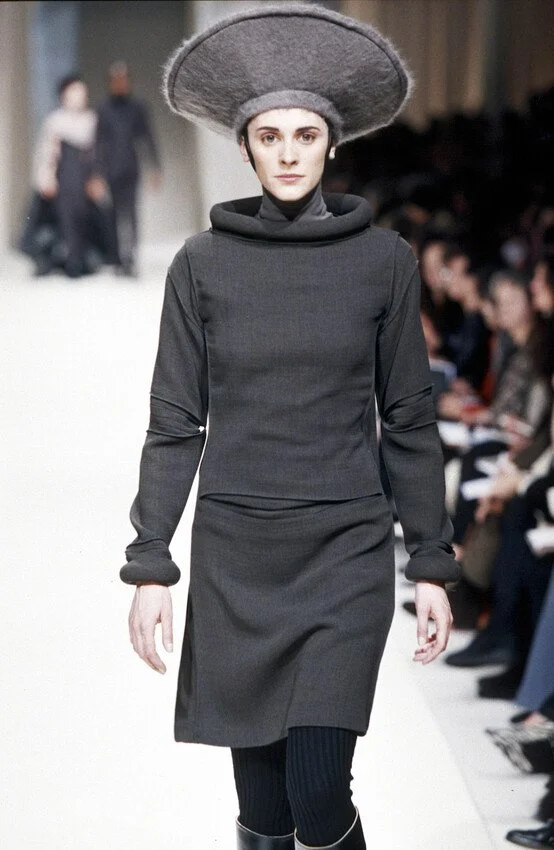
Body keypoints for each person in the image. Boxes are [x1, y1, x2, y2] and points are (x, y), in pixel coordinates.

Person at [120, 7, 459, 849]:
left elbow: (409, 417)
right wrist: (151, 561)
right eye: (269, 136)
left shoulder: (384, 262)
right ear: (244, 146)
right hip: (239, 554)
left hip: (345, 550)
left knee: (317, 791)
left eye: (305, 135)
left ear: (332, 144)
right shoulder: (202, 264)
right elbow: (176, 419)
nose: (288, 153)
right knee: (265, 810)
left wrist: (431, 560)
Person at [25, 74, 102, 278]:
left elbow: (96, 153)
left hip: (83, 177)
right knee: (64, 218)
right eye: (75, 92)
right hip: (64, 176)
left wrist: (96, 178)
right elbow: (48, 153)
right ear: (64, 96)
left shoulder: (90, 120)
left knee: (83, 218)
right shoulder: (56, 121)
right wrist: (46, 178)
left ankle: (78, 258)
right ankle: (69, 260)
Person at [96, 61, 161, 276]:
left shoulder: (138, 107)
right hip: (110, 169)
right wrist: (97, 174)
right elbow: (98, 142)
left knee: (131, 214)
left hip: (131, 168)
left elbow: (148, 137)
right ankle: (117, 259)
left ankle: (131, 259)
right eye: (116, 80)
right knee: (113, 215)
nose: (120, 84)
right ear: (110, 83)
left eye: (123, 80)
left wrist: (154, 167)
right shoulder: (103, 109)